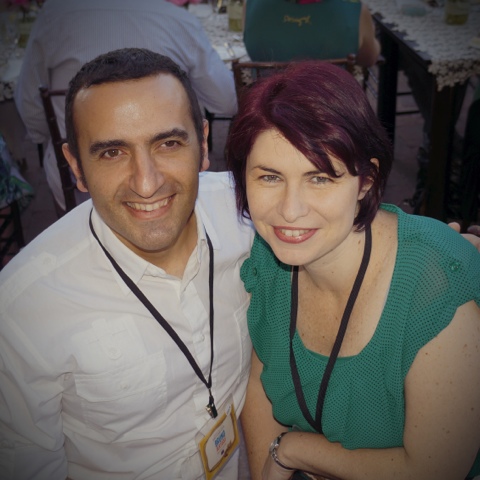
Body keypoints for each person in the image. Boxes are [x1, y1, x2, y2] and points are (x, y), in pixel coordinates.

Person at [0, 48, 254, 479]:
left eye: (168, 143)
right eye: (112, 153)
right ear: (76, 167)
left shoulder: (251, 217)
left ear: (203, 143)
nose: (147, 182)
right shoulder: (22, 310)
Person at [226, 61, 480, 479]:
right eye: (270, 177)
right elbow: (262, 384)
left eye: (320, 178)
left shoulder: (433, 284)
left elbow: (435, 470)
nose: (290, 210)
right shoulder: (269, 258)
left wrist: (293, 450)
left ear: (366, 181)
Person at [14, 0, 237, 215]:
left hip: (70, 180)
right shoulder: (180, 20)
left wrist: (45, 139)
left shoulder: (53, 15)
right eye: (112, 152)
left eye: (169, 143)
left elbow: (29, 105)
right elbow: (226, 101)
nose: (146, 187)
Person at [243, 0, 380, 67]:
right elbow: (368, 60)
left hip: (266, 109)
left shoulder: (251, 5)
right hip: (332, 110)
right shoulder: (354, 10)